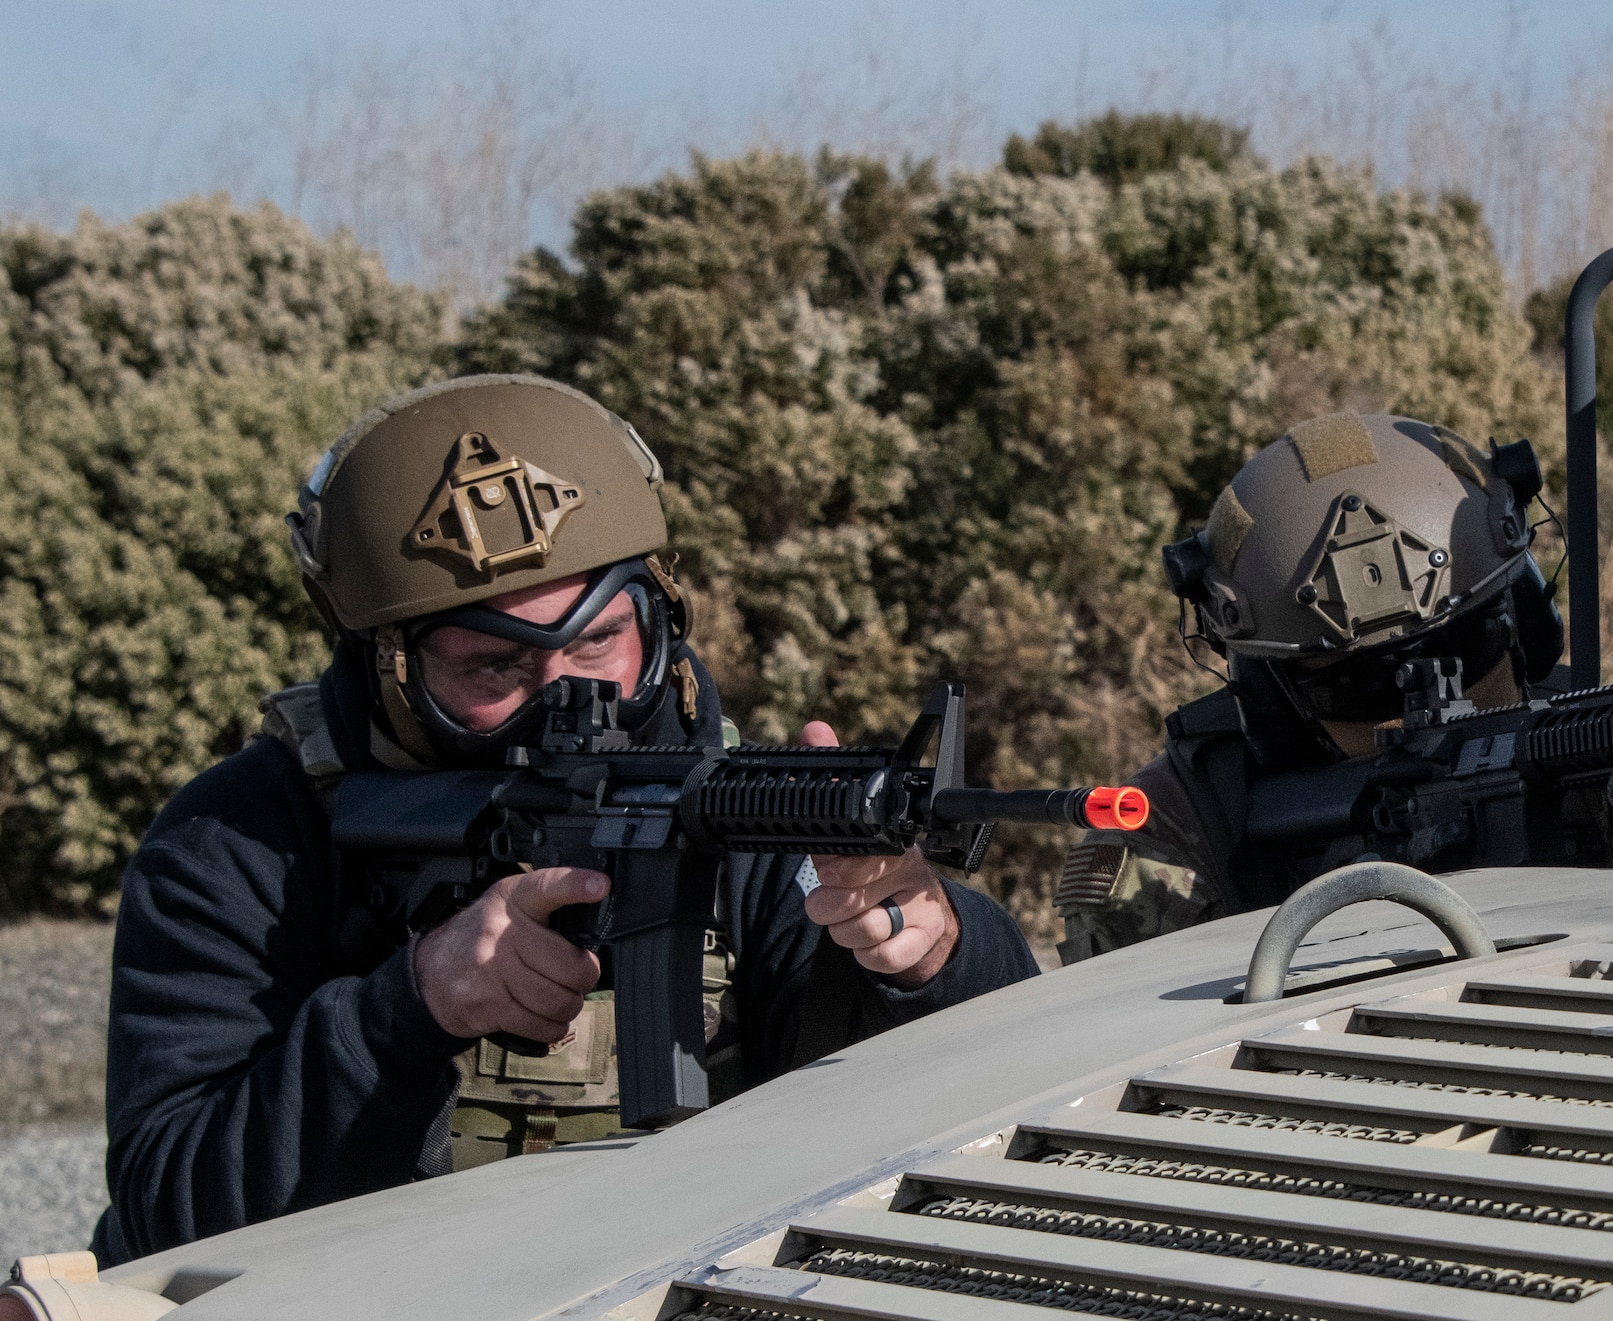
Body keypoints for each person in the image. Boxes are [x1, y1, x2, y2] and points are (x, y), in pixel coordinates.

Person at [93, 375, 1038, 1263]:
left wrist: (935, 957)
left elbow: (969, 1128)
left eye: (597, 640)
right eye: (491, 669)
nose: (565, 699)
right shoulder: (243, 841)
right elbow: (173, 1208)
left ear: (660, 617)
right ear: (390, 670)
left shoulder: (746, 806)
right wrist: (408, 1009)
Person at [1055, 411, 1563, 963]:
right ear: (1269, 700)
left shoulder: (1587, 736)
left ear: (1524, 623)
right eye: (1359, 682)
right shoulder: (1170, 842)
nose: (1427, 701)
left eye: (1464, 648)